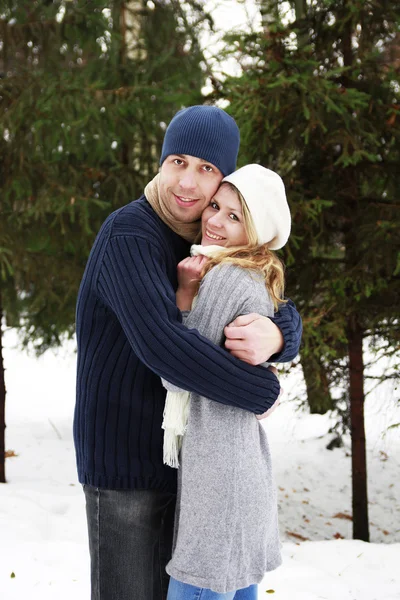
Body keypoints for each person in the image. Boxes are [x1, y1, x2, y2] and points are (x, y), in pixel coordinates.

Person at [74, 105, 302, 600]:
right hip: (125, 466)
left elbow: (263, 284)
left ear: (223, 180)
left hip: (181, 464)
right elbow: (165, 346)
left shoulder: (207, 243)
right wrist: (261, 390)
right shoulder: (130, 233)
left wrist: (281, 332)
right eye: (178, 161)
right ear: (160, 162)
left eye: (207, 169)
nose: (188, 183)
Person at [161, 164, 290, 600]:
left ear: (257, 231)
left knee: (197, 586)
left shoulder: (227, 278)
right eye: (215, 206)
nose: (214, 220)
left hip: (219, 477)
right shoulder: (253, 275)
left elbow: (176, 368)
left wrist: (183, 296)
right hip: (239, 468)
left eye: (234, 216)